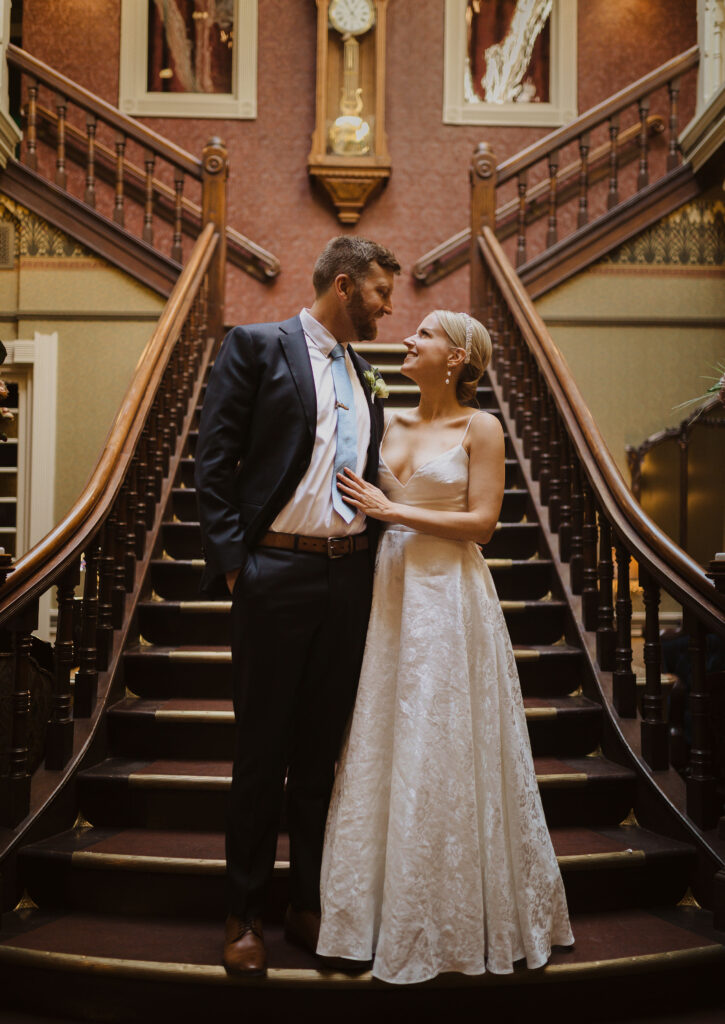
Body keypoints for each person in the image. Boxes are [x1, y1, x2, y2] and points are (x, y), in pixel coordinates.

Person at [316, 309, 574, 984]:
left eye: (423, 334)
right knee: (382, 735)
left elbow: (482, 524)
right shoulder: (384, 418)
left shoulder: (478, 426)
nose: (407, 339)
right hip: (388, 590)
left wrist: (392, 510)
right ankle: (372, 912)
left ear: (457, 357)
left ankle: (454, 913)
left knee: (441, 738)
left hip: (448, 596)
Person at [194, 236, 401, 976]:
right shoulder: (256, 348)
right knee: (262, 754)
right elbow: (212, 465)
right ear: (342, 286)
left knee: (320, 756)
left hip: (347, 580)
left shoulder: (364, 370)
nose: (387, 306)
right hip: (272, 574)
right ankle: (242, 911)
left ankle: (307, 902)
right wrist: (234, 570)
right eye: (378, 292)